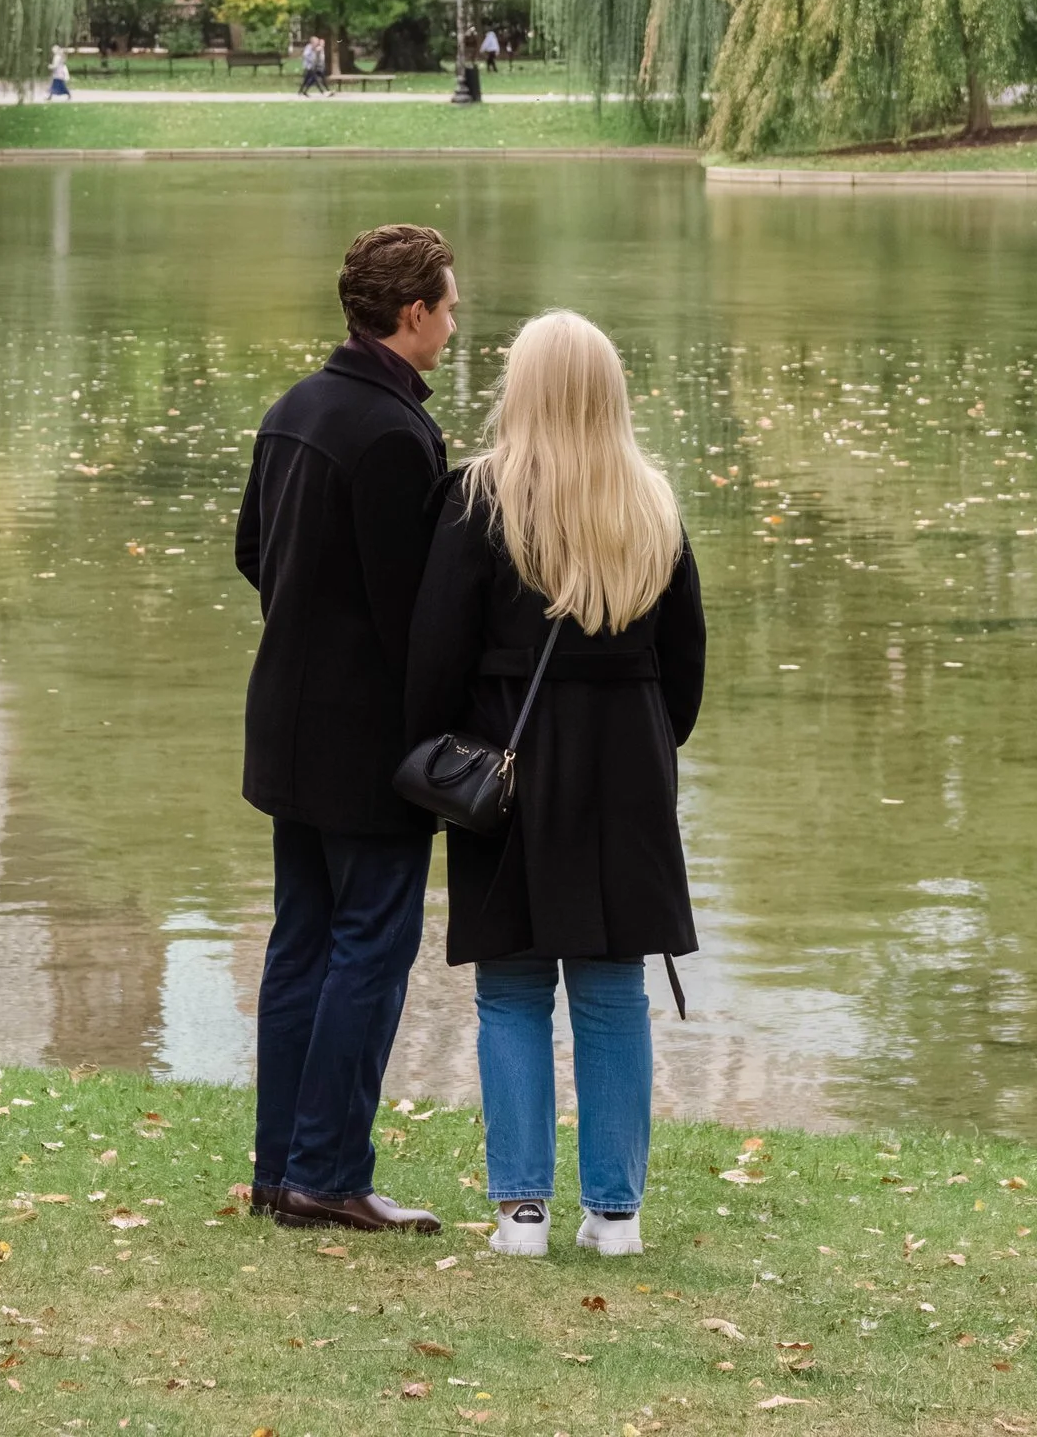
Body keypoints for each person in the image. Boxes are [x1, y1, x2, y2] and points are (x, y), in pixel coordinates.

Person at [403, 310, 704, 1263]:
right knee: (614, 994)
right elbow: (686, 668)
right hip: (627, 777)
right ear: (609, 392)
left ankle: (520, 1212)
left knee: (512, 991)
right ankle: (615, 1214)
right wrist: (644, 743)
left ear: (521, 391)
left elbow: (434, 658)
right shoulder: (652, 504)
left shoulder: (479, 501)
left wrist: (446, 749)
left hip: (511, 766)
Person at [235, 221, 458, 1233]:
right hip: (364, 742)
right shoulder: (391, 436)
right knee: (368, 946)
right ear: (411, 316)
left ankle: (281, 1168)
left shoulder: (294, 409)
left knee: (300, 943)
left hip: (284, 719)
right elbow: (412, 607)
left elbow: (252, 553)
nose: (454, 327)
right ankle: (328, 1172)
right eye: (449, 308)